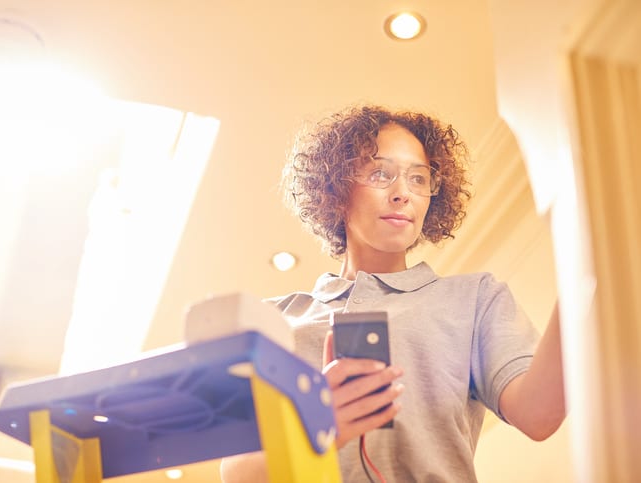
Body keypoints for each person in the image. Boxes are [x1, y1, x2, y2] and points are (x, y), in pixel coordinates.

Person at [220, 105, 565, 482]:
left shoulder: (475, 300)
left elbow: (539, 414)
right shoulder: (274, 321)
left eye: (419, 179)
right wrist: (316, 430)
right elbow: (236, 474)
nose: (404, 193)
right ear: (336, 189)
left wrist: (590, 279)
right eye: (381, 173)